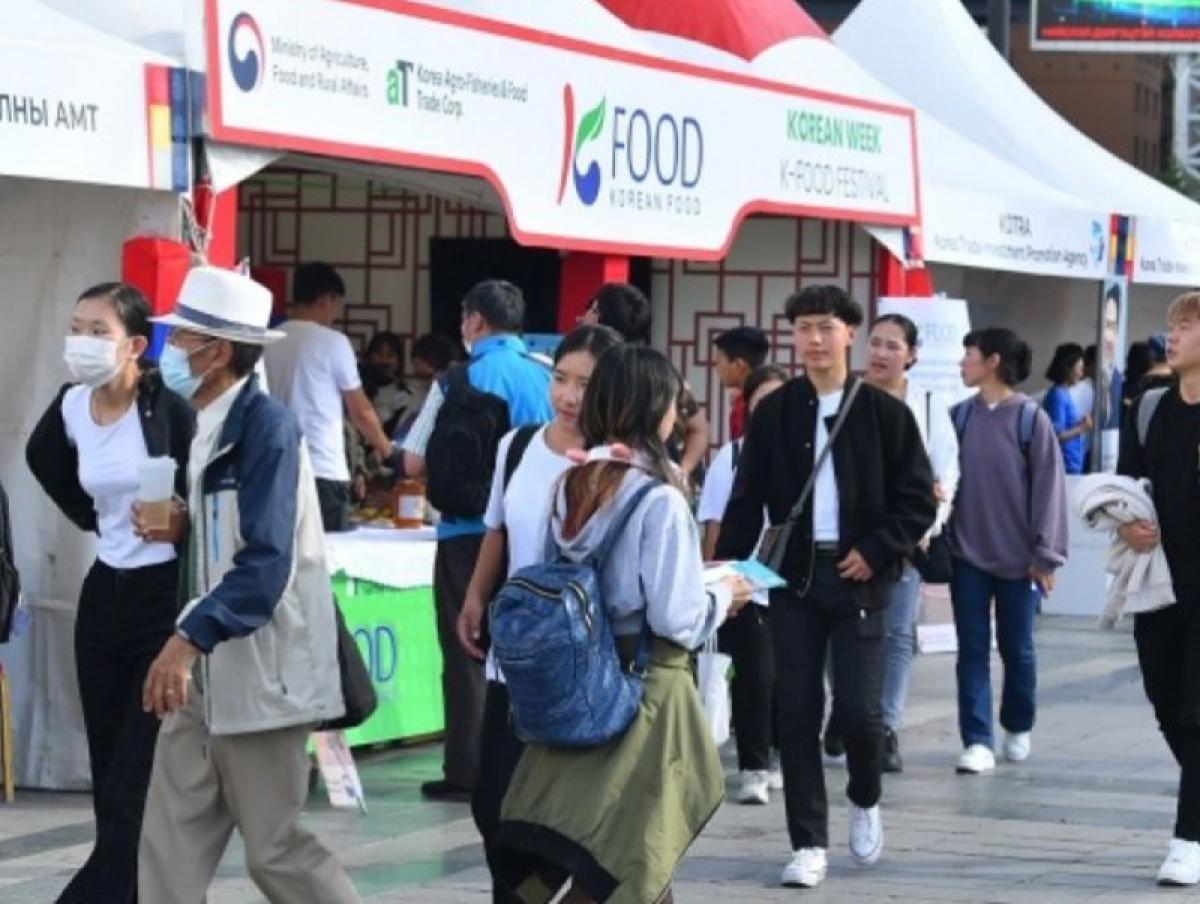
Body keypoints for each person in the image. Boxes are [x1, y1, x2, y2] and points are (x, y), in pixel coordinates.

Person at [492, 344, 749, 904]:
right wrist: (723, 595)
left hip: (582, 682)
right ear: (655, 409)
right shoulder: (659, 499)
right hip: (646, 688)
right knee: (626, 858)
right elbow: (677, 618)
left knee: (626, 853)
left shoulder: (572, 483)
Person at [136, 267, 359, 903]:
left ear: (218, 353)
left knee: (274, 851)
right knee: (168, 847)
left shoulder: (266, 427)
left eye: (181, 338)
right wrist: (184, 527)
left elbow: (265, 564)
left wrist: (186, 640)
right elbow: (228, 536)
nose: (169, 351)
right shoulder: (202, 422)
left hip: (262, 675)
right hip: (204, 676)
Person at [717, 285, 935, 889]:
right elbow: (747, 499)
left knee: (861, 714)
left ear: (849, 334)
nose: (813, 339)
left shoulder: (886, 414)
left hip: (860, 580)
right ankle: (808, 842)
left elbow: (918, 501)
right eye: (803, 328)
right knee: (797, 710)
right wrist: (728, 574)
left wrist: (877, 549)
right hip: (794, 580)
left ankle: (864, 797)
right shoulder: (775, 411)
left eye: (825, 327)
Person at [26, 283, 194, 904]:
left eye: (99, 331)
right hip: (103, 596)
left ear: (135, 345)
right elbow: (42, 459)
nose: (83, 341)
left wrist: (181, 523)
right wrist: (93, 518)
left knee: (136, 777)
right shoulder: (72, 407)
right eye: (77, 328)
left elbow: (203, 492)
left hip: (161, 600)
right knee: (108, 775)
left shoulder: (168, 407)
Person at [454, 324, 622, 902]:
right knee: (494, 803)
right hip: (517, 652)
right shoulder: (518, 445)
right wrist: (475, 597)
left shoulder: (617, 459)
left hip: (581, 664)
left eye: (585, 384)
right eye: (561, 379)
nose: (569, 396)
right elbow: (497, 528)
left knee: (559, 814)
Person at [400, 280, 553, 801]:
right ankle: (529, 765)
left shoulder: (455, 379)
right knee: (526, 645)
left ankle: (467, 769)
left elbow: (413, 462)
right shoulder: (546, 376)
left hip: (465, 533)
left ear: (476, 321)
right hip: (532, 533)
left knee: (465, 645)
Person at [947, 328, 1068, 776]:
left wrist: (1046, 554)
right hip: (966, 557)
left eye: (970, 354)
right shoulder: (959, 417)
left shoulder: (1031, 420)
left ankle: (1018, 723)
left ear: (993, 361)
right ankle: (977, 740)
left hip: (1022, 562)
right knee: (972, 650)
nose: (963, 362)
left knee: (1018, 649)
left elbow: (1050, 490)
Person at [1117, 292, 1200, 886]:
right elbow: (1126, 485)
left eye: (1187, 326)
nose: (1173, 335)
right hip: (1161, 585)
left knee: (1197, 713)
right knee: (1166, 701)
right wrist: (1126, 524)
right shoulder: (1150, 408)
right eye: (1171, 326)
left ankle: (1187, 838)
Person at [863, 314, 960, 773]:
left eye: (893, 346)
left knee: (898, 633)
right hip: (853, 537)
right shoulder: (849, 399)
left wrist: (926, 524)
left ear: (912, 355)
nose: (881, 353)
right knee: (845, 631)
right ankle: (850, 714)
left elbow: (946, 473)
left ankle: (886, 727)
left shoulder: (928, 405)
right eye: (875, 343)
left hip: (906, 538)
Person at [698, 363, 789, 806]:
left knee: (789, 678)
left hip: (795, 581)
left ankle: (779, 754)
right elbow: (714, 524)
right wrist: (717, 581)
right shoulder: (731, 457)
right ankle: (753, 765)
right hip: (745, 580)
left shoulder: (807, 457)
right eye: (761, 400)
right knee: (755, 675)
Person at [263, 261, 395, 532]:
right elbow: (360, 411)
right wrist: (389, 452)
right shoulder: (333, 342)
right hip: (321, 467)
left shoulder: (268, 341)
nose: (335, 314)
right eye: (336, 306)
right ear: (326, 300)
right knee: (329, 552)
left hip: (275, 468)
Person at [581, 282, 710, 478]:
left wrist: (679, 473)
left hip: (639, 480)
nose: (585, 315)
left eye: (592, 307)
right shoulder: (661, 372)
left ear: (599, 318)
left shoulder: (657, 374)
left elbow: (699, 428)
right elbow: (700, 428)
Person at [1042, 343, 1093, 476]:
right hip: (1064, 467)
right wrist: (1081, 428)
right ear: (1068, 368)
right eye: (1079, 368)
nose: (1081, 373)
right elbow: (1056, 435)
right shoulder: (1058, 395)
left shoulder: (1064, 393)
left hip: (1071, 465)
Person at [713, 326, 770, 440]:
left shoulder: (744, 406)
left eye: (718, 362)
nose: (716, 369)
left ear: (738, 365)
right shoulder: (775, 396)